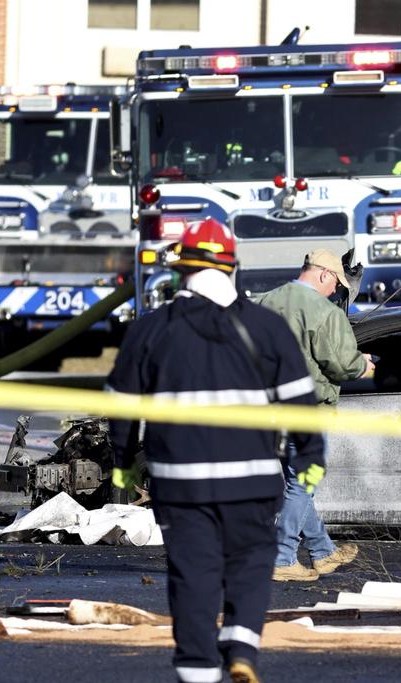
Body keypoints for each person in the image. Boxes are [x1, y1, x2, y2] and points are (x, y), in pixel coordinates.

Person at [108, 218, 324, 683]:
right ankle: (243, 645)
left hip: (180, 481)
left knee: (193, 572)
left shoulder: (149, 331)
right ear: (232, 267)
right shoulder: (266, 327)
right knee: (250, 560)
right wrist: (310, 460)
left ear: (180, 269)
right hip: (251, 479)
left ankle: (198, 670)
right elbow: (302, 403)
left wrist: (122, 464)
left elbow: (121, 409)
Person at [257, 248, 374, 582]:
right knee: (303, 484)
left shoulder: (264, 301)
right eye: (336, 283)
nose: (336, 291)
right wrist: (362, 364)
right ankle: (282, 558)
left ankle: (323, 552)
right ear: (324, 273)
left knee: (298, 485)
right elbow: (341, 364)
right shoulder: (325, 312)